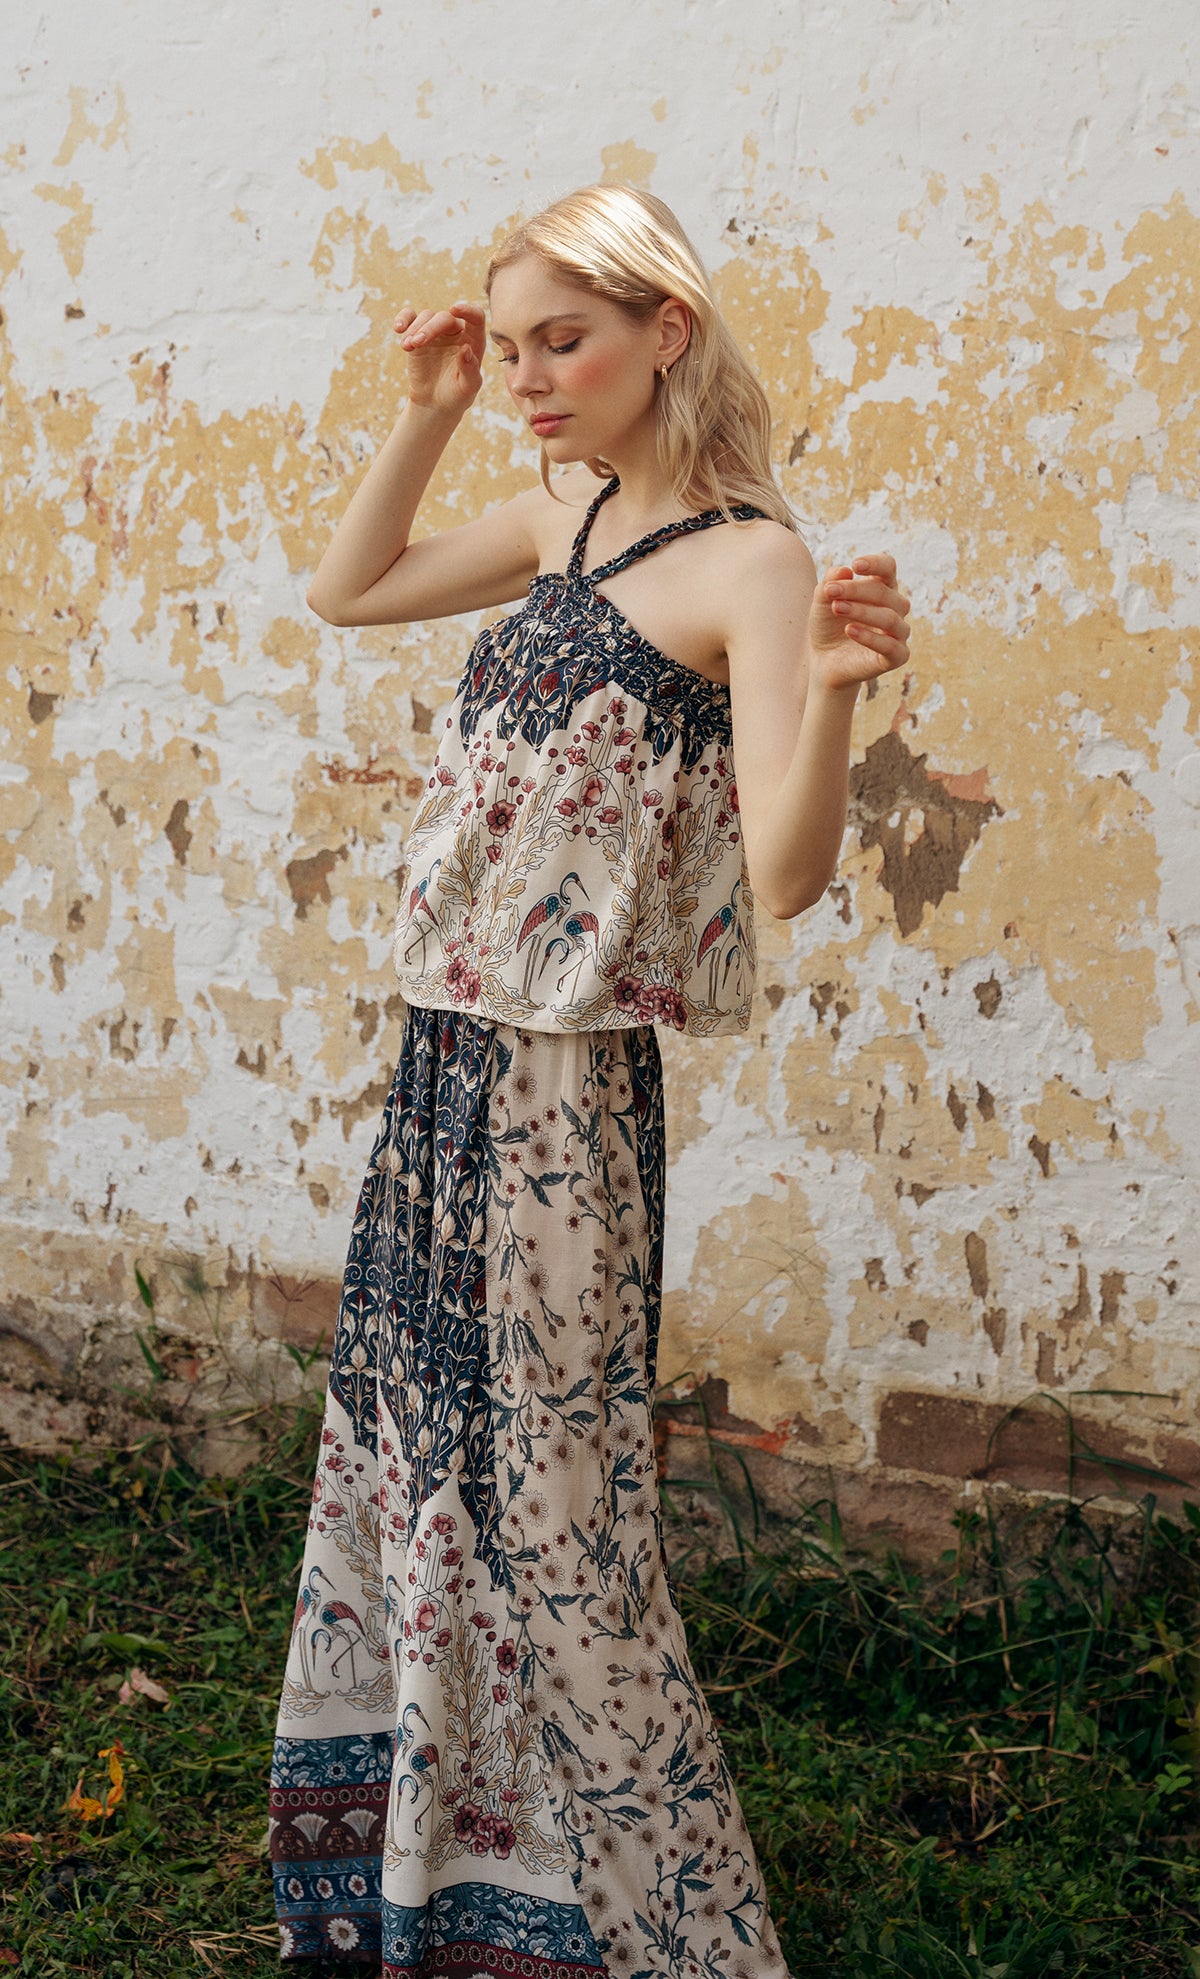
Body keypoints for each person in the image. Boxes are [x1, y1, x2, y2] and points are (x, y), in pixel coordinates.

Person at [268, 182, 911, 1978]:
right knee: (422, 1461)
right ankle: (453, 1880)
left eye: (565, 341)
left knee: (557, 1510)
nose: (530, 378)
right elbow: (348, 590)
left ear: (665, 333)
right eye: (510, 347)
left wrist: (835, 691)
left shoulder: (750, 562)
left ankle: (664, 1927)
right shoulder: (564, 514)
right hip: (442, 1061)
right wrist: (426, 409)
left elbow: (787, 873)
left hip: (562, 1099)